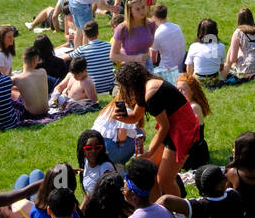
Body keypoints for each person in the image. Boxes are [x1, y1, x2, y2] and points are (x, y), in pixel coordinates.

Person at [113, 63, 200, 201]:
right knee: (151, 172)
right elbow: (135, 117)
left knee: (164, 179)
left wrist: (151, 151)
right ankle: (155, 210)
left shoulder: (151, 93)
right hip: (173, 127)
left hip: (183, 130)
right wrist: (122, 116)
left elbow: (165, 126)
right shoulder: (143, 88)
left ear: (130, 84)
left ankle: (180, 212)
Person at [159, 164, 250, 218]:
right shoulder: (234, 195)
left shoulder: (197, 206)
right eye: (223, 177)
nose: (226, 178)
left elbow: (166, 200)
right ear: (219, 185)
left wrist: (149, 211)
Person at [92, 90, 144, 167]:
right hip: (107, 149)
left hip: (93, 148)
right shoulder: (124, 109)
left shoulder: (109, 107)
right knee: (140, 133)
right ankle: (119, 164)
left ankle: (117, 164)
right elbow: (121, 138)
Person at [110, 0, 156, 68]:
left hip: (148, 65)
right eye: (137, 9)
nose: (142, 11)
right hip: (130, 68)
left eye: (143, 7)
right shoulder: (122, 28)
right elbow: (113, 55)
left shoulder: (151, 24)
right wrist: (135, 58)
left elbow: (150, 44)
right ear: (130, 11)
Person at [75, 20, 115, 94]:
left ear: (85, 35)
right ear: (98, 33)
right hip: (110, 86)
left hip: (93, 87)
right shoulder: (109, 46)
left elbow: (66, 58)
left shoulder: (82, 50)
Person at [76, 129, 117, 201]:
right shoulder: (87, 161)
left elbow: (109, 199)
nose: (93, 151)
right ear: (83, 151)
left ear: (102, 149)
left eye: (97, 147)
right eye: (88, 148)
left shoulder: (106, 168)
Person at [185, 18, 226, 87]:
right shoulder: (221, 46)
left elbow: (189, 68)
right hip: (215, 80)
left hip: (198, 81)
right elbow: (221, 67)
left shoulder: (194, 46)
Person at [10, 47, 50, 117]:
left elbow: (0, 88)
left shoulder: (16, 79)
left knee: (12, 92)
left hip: (31, 114)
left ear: (23, 59)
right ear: (35, 60)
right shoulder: (43, 71)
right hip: (45, 111)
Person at [151, 4, 186, 82]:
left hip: (167, 71)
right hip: (180, 66)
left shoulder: (157, 34)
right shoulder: (177, 27)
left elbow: (153, 60)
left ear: (154, 17)